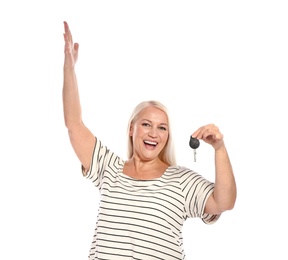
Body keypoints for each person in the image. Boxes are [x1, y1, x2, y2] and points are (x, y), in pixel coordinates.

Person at [62, 21, 237, 260]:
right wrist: (69, 68)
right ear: (131, 129)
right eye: (146, 124)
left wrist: (219, 148)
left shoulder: (181, 181)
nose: (154, 133)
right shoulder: (109, 168)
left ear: (168, 136)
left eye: (162, 128)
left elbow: (224, 201)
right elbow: (74, 125)